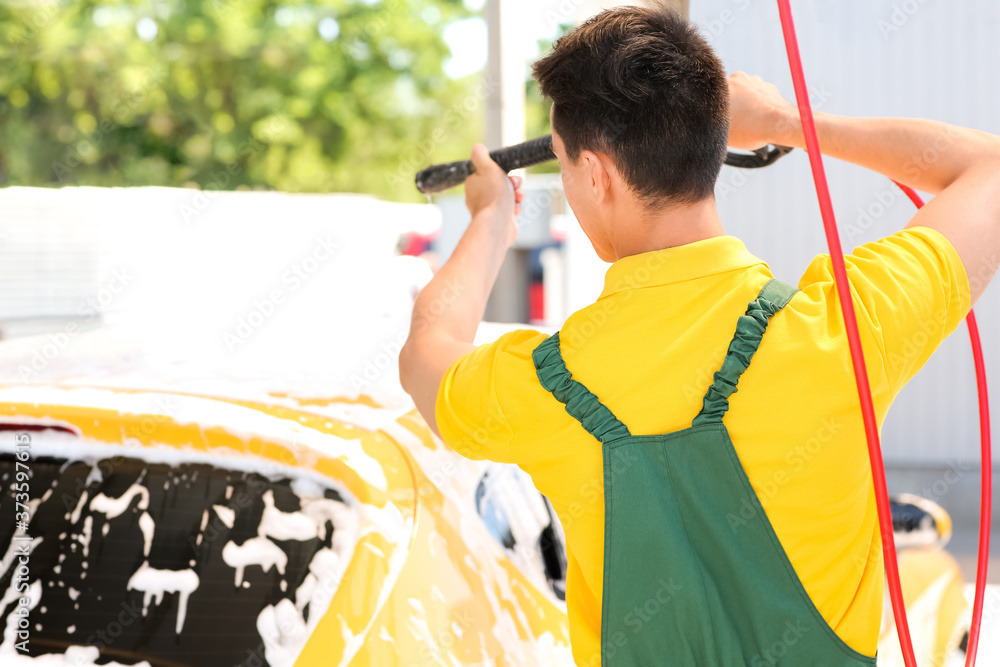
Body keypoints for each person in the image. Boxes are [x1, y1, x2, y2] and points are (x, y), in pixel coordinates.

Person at [399, 4, 998, 665]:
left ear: (596, 175)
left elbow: (426, 350)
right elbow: (989, 169)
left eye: (567, 169)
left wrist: (489, 220)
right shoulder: (843, 331)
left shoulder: (544, 386)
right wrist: (784, 122)